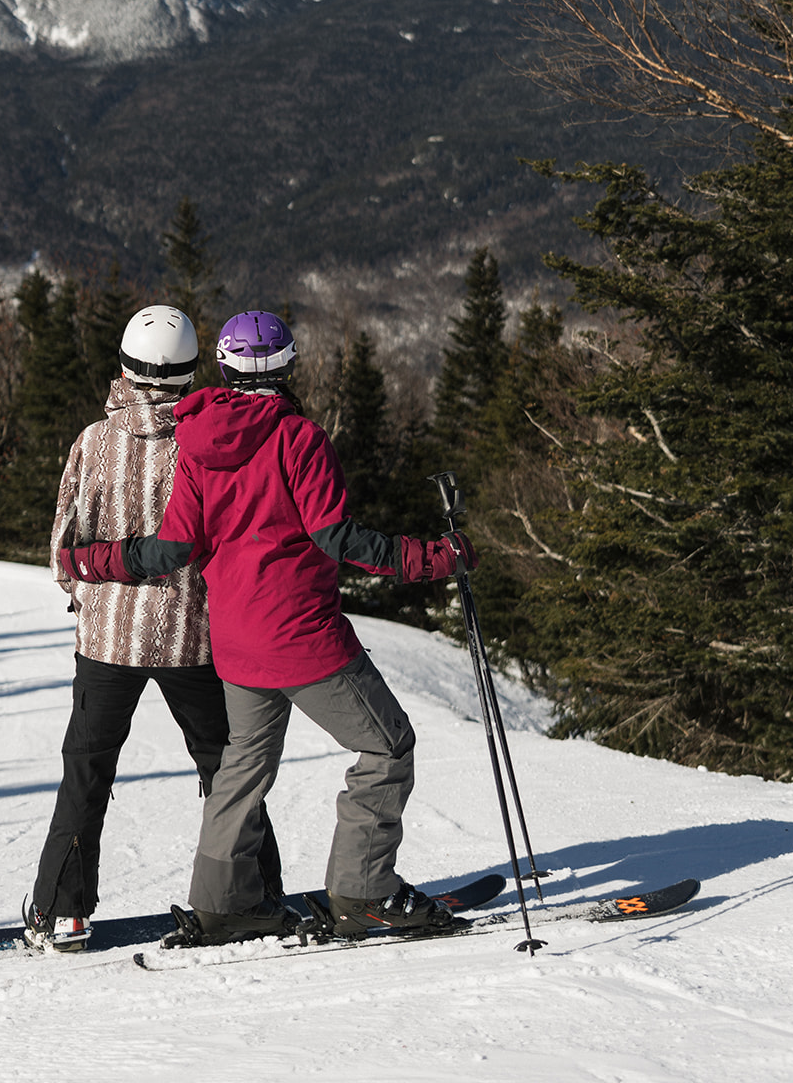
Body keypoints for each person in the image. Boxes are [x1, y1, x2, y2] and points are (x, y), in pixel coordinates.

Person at [65, 309, 478, 945]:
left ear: (225, 369)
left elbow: (172, 548)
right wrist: (431, 558)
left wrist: (94, 559)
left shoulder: (197, 442)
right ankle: (364, 892)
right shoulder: (298, 438)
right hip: (303, 639)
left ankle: (223, 904)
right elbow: (335, 536)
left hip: (234, 642)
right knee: (387, 747)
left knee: (242, 767)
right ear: (287, 369)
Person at [25, 303, 282, 950]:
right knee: (225, 768)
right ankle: (252, 894)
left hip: (107, 638)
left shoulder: (93, 442)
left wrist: (84, 597)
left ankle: (64, 911)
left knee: (87, 770)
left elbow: (65, 545)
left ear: (123, 366)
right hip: (193, 635)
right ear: (194, 372)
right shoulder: (208, 439)